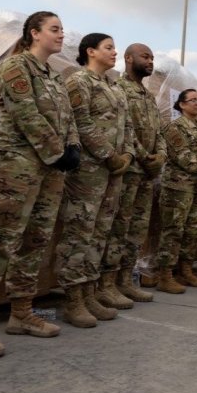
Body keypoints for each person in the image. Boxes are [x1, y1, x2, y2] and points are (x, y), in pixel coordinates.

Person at [0, 11, 80, 358]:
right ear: (34, 33)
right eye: (55, 29)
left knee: (35, 242)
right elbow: (27, 114)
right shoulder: (16, 68)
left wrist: (71, 147)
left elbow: (66, 117)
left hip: (49, 170)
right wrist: (59, 152)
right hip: (16, 166)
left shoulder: (54, 77)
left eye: (61, 29)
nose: (60, 35)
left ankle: (22, 313)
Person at [56, 34, 135, 327]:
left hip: (113, 170)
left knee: (101, 230)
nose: (115, 52)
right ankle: (73, 298)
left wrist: (126, 154)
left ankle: (89, 291)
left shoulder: (113, 87)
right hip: (89, 170)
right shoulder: (79, 82)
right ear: (91, 52)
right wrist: (108, 155)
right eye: (109, 47)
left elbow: (127, 125)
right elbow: (80, 121)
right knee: (80, 231)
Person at [104, 43, 165, 301]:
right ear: (128, 59)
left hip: (147, 173)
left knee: (136, 230)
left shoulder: (148, 96)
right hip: (129, 170)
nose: (150, 61)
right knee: (119, 227)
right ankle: (106, 283)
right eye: (145, 56)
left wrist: (161, 154)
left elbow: (159, 132)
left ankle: (125, 280)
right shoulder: (119, 90)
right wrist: (143, 155)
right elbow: (124, 129)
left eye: (152, 57)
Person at [155, 89, 197, 293]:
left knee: (194, 229)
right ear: (181, 104)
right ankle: (165, 275)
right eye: (193, 100)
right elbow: (183, 156)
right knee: (174, 231)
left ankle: (185, 270)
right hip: (178, 187)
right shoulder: (175, 128)